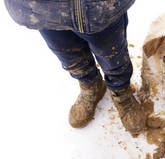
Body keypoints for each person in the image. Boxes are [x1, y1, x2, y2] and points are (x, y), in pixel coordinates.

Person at [4, 0, 146, 135]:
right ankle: (91, 86)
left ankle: (121, 91)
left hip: (98, 8)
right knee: (69, 55)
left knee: (113, 56)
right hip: (41, 10)